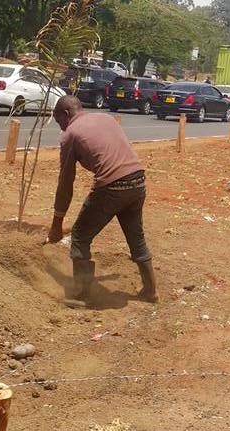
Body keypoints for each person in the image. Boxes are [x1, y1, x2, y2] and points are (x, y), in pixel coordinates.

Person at [47, 95, 158, 308]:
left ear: (66, 114)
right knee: (136, 238)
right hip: (137, 181)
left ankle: (81, 295)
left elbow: (65, 183)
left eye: (58, 120)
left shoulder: (71, 134)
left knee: (80, 236)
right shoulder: (106, 118)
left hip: (112, 187)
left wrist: (56, 224)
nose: (60, 127)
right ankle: (150, 291)